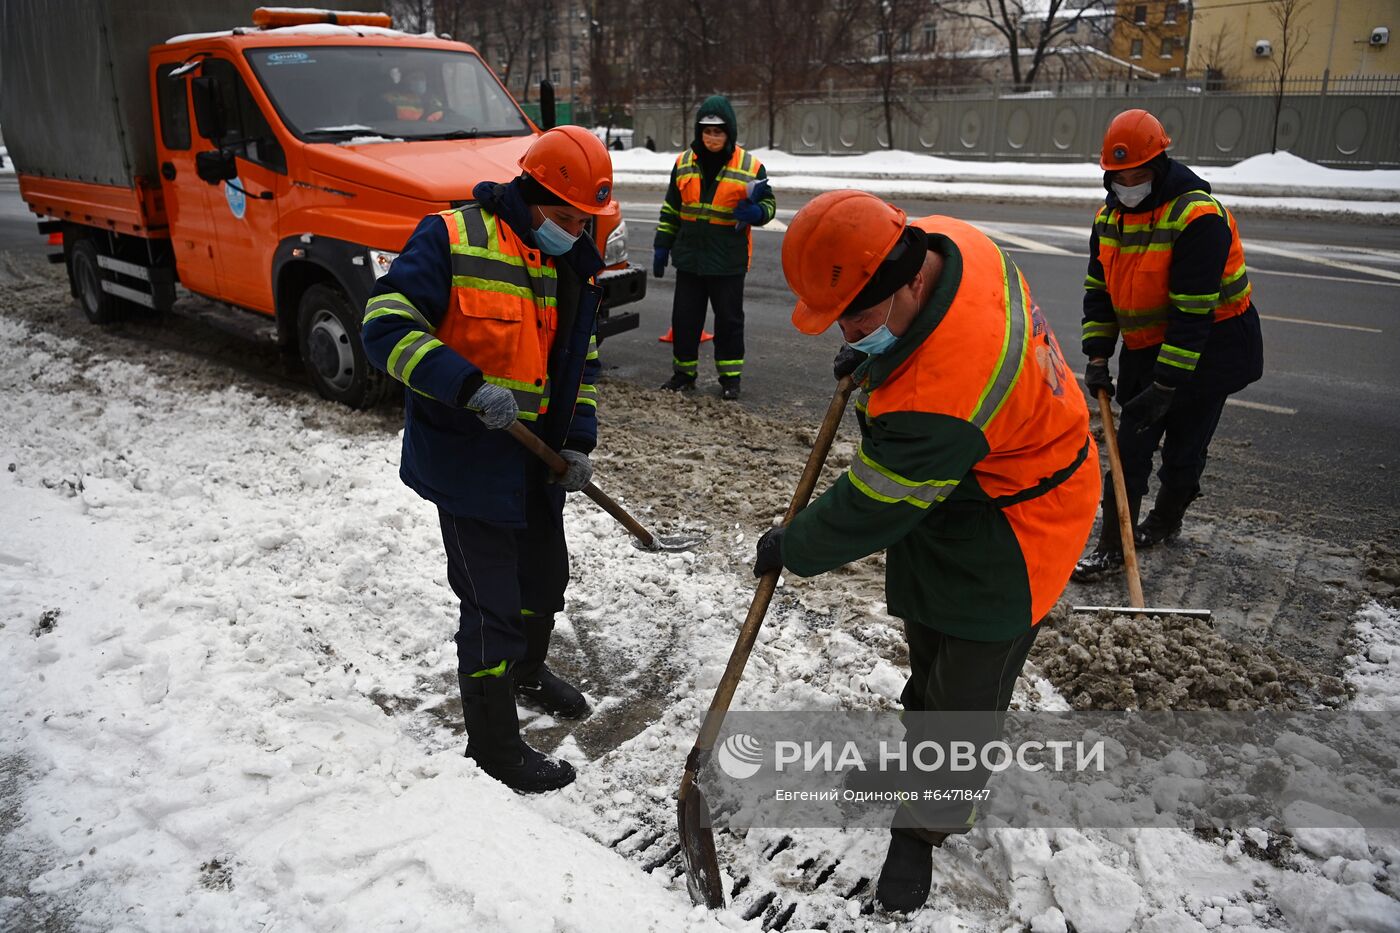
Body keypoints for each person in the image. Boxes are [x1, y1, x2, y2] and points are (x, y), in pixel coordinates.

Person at [753, 190, 1099, 912]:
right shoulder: (951, 239)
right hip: (962, 489)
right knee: (931, 659)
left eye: (859, 313)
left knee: (967, 694)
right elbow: (906, 415)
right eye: (841, 315)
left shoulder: (946, 392)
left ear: (909, 280)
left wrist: (795, 545)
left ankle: (924, 827)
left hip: (1019, 521)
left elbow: (872, 503)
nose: (848, 330)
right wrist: (875, 347)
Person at [361, 126, 617, 794]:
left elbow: (582, 363)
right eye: (564, 217)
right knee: (492, 608)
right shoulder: (451, 236)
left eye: (584, 219)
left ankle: (530, 672)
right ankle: (494, 744)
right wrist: (465, 385)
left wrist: (577, 441)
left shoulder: (574, 264)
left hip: (537, 466)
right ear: (531, 193)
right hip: (470, 464)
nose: (574, 230)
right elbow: (385, 325)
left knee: (544, 583)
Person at [1073, 109, 1263, 580]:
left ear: (1157, 167)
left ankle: (1165, 519)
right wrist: (1098, 357)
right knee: (1130, 448)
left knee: (1183, 448)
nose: (1127, 184)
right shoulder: (1108, 217)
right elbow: (1099, 291)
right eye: (1118, 176)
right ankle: (1113, 546)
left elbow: (1192, 310)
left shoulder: (1198, 216)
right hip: (1146, 344)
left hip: (1211, 345)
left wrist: (1166, 385)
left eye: (1136, 175)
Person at [652, 95, 775, 400]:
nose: (712, 138)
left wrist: (757, 213)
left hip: (727, 260)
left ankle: (730, 379)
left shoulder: (750, 166)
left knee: (729, 321)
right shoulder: (683, 164)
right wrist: (661, 246)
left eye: (718, 132)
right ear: (699, 132)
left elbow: (770, 204)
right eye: (707, 131)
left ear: (729, 133)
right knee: (684, 319)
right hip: (690, 258)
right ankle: (684, 374)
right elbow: (671, 209)